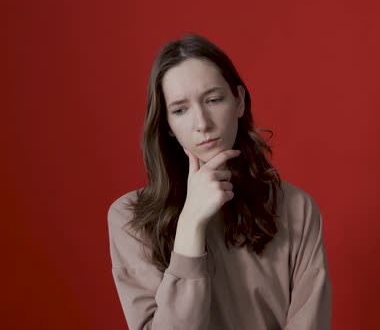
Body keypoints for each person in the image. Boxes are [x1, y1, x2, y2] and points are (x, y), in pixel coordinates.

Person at [107, 33, 332, 330]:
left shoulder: (296, 209)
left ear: (238, 101)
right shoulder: (129, 218)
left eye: (213, 99)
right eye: (180, 110)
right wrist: (190, 226)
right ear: (168, 126)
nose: (202, 123)